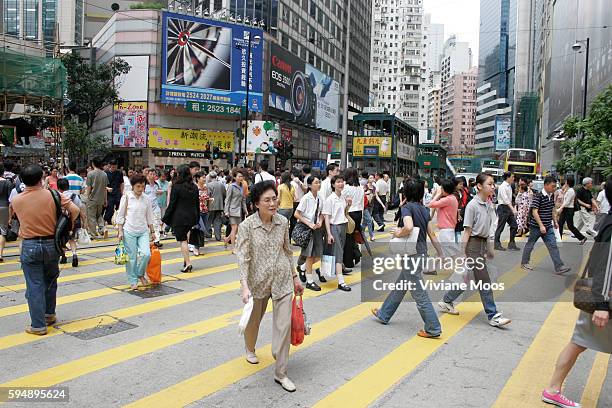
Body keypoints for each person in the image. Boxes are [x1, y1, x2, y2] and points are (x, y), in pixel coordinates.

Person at [541, 177, 612, 408]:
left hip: (601, 296)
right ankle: (552, 389)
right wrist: (602, 305)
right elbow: (606, 264)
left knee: (578, 342)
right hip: (604, 299)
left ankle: (552, 388)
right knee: (578, 342)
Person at [236, 181, 303, 392]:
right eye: (267, 200)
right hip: (257, 283)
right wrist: (244, 285)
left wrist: (295, 276)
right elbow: (243, 258)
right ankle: (250, 347)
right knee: (253, 323)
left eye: (275, 198)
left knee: (284, 327)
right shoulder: (247, 226)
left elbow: (287, 250)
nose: (273, 203)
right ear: (257, 203)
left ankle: (280, 372)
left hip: (282, 280)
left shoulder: (283, 222)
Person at [11, 164, 80, 335]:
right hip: (52, 245)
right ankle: (49, 314)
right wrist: (67, 226)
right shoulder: (54, 194)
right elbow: (76, 210)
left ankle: (38, 325)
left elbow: (13, 220)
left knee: (34, 285)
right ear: (41, 178)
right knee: (50, 280)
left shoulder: (17, 200)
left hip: (30, 245)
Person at [371, 179, 444, 338]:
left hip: (411, 255)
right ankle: (384, 313)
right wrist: (440, 252)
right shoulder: (424, 210)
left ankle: (433, 328)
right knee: (401, 285)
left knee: (419, 293)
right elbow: (431, 234)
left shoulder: (406, 208)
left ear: (406, 193)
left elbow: (409, 227)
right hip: (421, 253)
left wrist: (398, 232)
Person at [438, 173, 512, 327]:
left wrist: (490, 247)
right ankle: (493, 315)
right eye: (490, 184)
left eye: (493, 184)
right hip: (472, 245)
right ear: (479, 186)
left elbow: (490, 229)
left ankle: (447, 300)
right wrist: (462, 252)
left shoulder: (489, 204)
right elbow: (467, 232)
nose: (493, 187)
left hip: (482, 245)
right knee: (484, 280)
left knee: (467, 277)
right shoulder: (472, 205)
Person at [521, 176, 571, 274]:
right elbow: (534, 212)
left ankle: (559, 267)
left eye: (555, 186)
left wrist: (555, 222)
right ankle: (524, 262)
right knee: (530, 244)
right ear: (546, 185)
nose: (554, 188)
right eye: (552, 186)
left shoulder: (551, 196)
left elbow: (552, 209)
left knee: (553, 246)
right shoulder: (538, 196)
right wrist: (541, 225)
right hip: (536, 227)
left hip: (548, 226)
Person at [116, 174, 155, 290]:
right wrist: (120, 231)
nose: (140, 189)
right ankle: (133, 280)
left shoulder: (146, 199)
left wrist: (152, 231)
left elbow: (149, 216)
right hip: (129, 231)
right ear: (133, 186)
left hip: (143, 231)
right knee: (132, 258)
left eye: (142, 187)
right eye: (138, 186)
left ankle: (140, 273)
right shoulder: (127, 197)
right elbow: (120, 215)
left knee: (146, 254)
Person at [162, 164, 199, 273]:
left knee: (182, 240)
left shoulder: (176, 186)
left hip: (180, 217)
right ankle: (185, 259)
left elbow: (172, 204)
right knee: (186, 238)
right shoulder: (194, 186)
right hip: (192, 217)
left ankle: (188, 263)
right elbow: (196, 203)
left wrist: (164, 218)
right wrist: (197, 217)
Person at [294, 175, 326, 291]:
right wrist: (309, 223)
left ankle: (302, 268)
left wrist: (320, 221)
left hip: (316, 228)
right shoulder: (306, 198)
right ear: (310, 185)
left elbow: (322, 212)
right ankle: (310, 281)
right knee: (310, 255)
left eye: (319, 182)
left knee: (318, 254)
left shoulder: (320, 198)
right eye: (316, 182)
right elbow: (297, 214)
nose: (319, 184)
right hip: (307, 228)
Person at [322, 174, 352, 292]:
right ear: (333, 185)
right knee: (339, 253)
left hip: (343, 226)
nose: (341, 184)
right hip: (334, 227)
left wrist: (348, 205)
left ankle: (320, 271)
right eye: (338, 182)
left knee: (335, 252)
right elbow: (326, 217)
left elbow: (344, 213)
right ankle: (341, 282)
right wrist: (329, 233)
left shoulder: (343, 197)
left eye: (342, 182)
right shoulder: (330, 199)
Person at [427, 178, 459, 256]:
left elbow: (430, 204)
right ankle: (433, 268)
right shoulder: (453, 198)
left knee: (452, 253)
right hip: (448, 230)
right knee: (441, 253)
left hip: (446, 231)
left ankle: (463, 267)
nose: (440, 190)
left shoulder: (447, 200)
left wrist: (438, 194)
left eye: (441, 188)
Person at [57, 178, 84, 267]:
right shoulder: (74, 196)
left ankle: (63, 256)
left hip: (60, 222)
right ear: (68, 186)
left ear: (58, 187)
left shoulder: (57, 196)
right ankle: (74, 254)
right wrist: (84, 221)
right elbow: (79, 208)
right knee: (71, 239)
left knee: (61, 239)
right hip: (73, 220)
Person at [341, 168, 364, 270]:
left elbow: (342, 202)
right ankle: (356, 255)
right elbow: (362, 204)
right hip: (358, 213)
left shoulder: (346, 188)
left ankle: (349, 262)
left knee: (347, 239)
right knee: (353, 236)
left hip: (349, 213)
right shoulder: (360, 188)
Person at [494, 172, 520, 251]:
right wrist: (512, 209)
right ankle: (496, 244)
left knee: (514, 226)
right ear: (507, 177)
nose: (513, 178)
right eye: (512, 177)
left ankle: (511, 244)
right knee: (500, 227)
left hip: (508, 208)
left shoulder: (509, 186)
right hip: (503, 208)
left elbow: (510, 198)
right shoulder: (503, 186)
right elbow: (505, 199)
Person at [557, 177, 587, 244]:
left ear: (567, 182)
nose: (564, 183)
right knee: (560, 224)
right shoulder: (568, 190)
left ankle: (582, 237)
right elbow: (564, 199)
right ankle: (559, 239)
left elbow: (567, 202)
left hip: (569, 210)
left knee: (570, 226)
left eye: (565, 182)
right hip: (566, 209)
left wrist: (560, 208)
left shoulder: (571, 191)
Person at [224, 168, 248, 251]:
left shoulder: (242, 186)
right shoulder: (231, 186)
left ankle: (227, 239)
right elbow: (227, 199)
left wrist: (245, 210)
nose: (241, 178)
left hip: (239, 211)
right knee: (234, 228)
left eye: (242, 176)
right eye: (239, 176)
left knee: (237, 228)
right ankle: (233, 247)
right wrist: (226, 211)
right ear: (235, 177)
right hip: (232, 210)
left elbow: (243, 199)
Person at [85, 158, 108, 240]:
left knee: (91, 217)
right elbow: (105, 188)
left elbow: (89, 187)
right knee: (99, 215)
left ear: (93, 164)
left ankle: (93, 234)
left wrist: (87, 198)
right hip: (101, 199)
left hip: (92, 199)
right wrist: (105, 200)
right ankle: (102, 228)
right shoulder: (104, 174)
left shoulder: (90, 174)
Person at [194, 171, 213, 256]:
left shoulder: (205, 187)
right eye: (203, 177)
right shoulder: (194, 188)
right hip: (197, 211)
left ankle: (197, 248)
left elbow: (206, 197)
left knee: (201, 230)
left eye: (205, 177)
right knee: (200, 229)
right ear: (198, 179)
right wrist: (208, 198)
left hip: (205, 210)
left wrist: (209, 200)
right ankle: (195, 247)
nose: (205, 179)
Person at [144, 169, 163, 248]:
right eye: (150, 174)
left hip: (155, 207)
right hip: (146, 208)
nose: (152, 176)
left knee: (156, 223)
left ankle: (156, 240)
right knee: (146, 224)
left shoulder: (157, 184)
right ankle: (147, 239)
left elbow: (159, 192)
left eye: (154, 174)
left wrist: (160, 192)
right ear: (147, 175)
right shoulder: (145, 185)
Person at [207, 170, 226, 241]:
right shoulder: (221, 185)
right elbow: (225, 195)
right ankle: (218, 237)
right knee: (218, 221)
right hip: (220, 205)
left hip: (211, 205)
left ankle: (208, 234)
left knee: (209, 220)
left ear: (210, 177)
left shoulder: (209, 185)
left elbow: (208, 196)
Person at [104, 160, 124, 226]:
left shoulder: (119, 173)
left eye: (115, 167)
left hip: (117, 192)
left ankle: (118, 221)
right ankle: (108, 220)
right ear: (109, 166)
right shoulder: (105, 173)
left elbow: (121, 183)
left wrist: (122, 192)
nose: (114, 168)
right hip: (109, 193)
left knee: (120, 208)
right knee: (110, 207)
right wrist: (107, 188)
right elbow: (103, 185)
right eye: (112, 167)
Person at [0, 164, 12, 262]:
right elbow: (10, 199)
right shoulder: (7, 183)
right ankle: (0, 254)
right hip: (4, 207)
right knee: (3, 231)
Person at [362, 174, 376, 241]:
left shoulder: (374, 187)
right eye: (370, 178)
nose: (371, 179)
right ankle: (371, 236)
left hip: (371, 206)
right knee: (370, 220)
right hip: (365, 206)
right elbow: (361, 193)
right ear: (368, 179)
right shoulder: (365, 186)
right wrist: (366, 193)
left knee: (365, 222)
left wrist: (382, 204)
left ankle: (360, 233)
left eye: (372, 178)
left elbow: (376, 196)